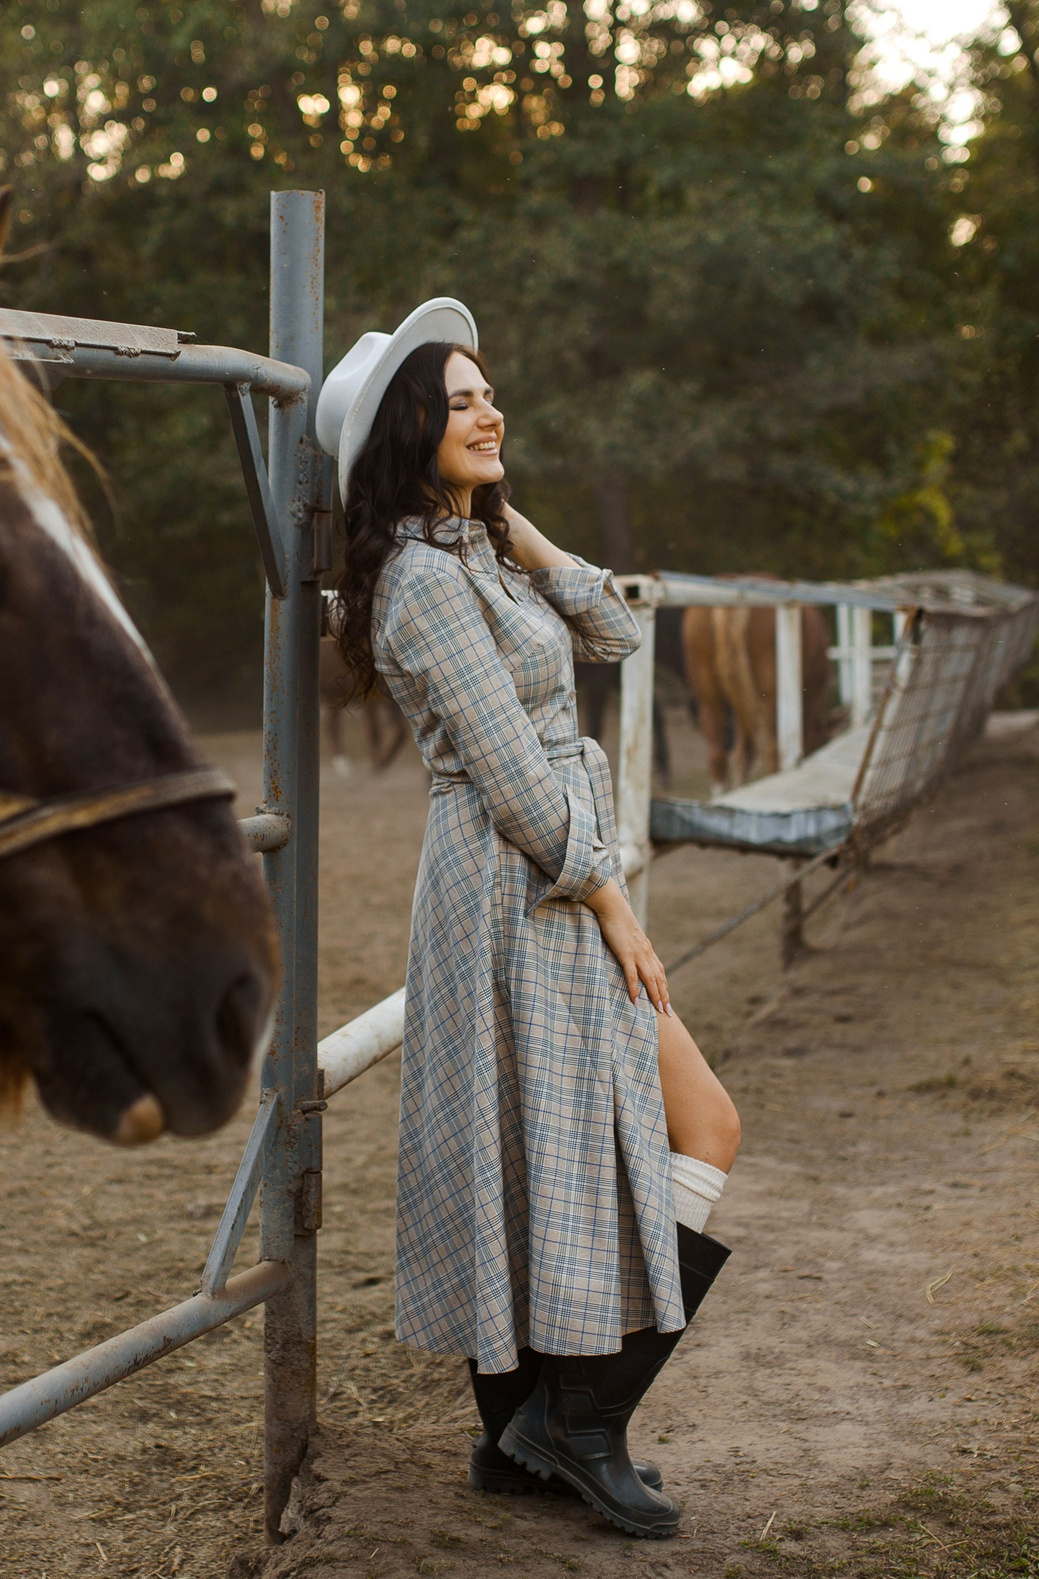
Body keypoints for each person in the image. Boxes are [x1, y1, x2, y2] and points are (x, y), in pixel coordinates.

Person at [317, 299, 744, 1539]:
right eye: (459, 401)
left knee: (554, 1144)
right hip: (518, 880)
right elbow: (507, 771)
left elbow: (614, 625)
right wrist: (614, 902)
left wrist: (510, 518)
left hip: (551, 868)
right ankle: (575, 1423)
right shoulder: (413, 583)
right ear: (409, 432)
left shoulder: (476, 556)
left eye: (489, 391)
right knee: (636, 1128)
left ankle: (525, 1435)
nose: (490, 410)